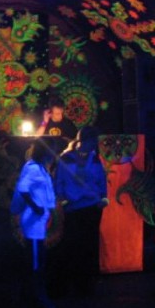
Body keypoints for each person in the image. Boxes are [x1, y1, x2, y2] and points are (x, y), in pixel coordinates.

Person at [53, 126, 108, 296]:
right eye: (93, 141)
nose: (94, 145)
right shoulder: (66, 158)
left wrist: (103, 197)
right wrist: (61, 199)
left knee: (89, 245)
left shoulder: (95, 159)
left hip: (91, 207)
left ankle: (87, 284)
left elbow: (101, 181)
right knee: (73, 245)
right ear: (84, 140)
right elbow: (58, 182)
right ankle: (72, 283)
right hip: (73, 208)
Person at [13, 139, 57, 308]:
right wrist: (36, 207)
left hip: (38, 223)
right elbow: (23, 189)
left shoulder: (40, 168)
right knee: (35, 263)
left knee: (37, 261)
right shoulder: (34, 169)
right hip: (33, 224)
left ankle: (31, 298)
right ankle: (37, 299)